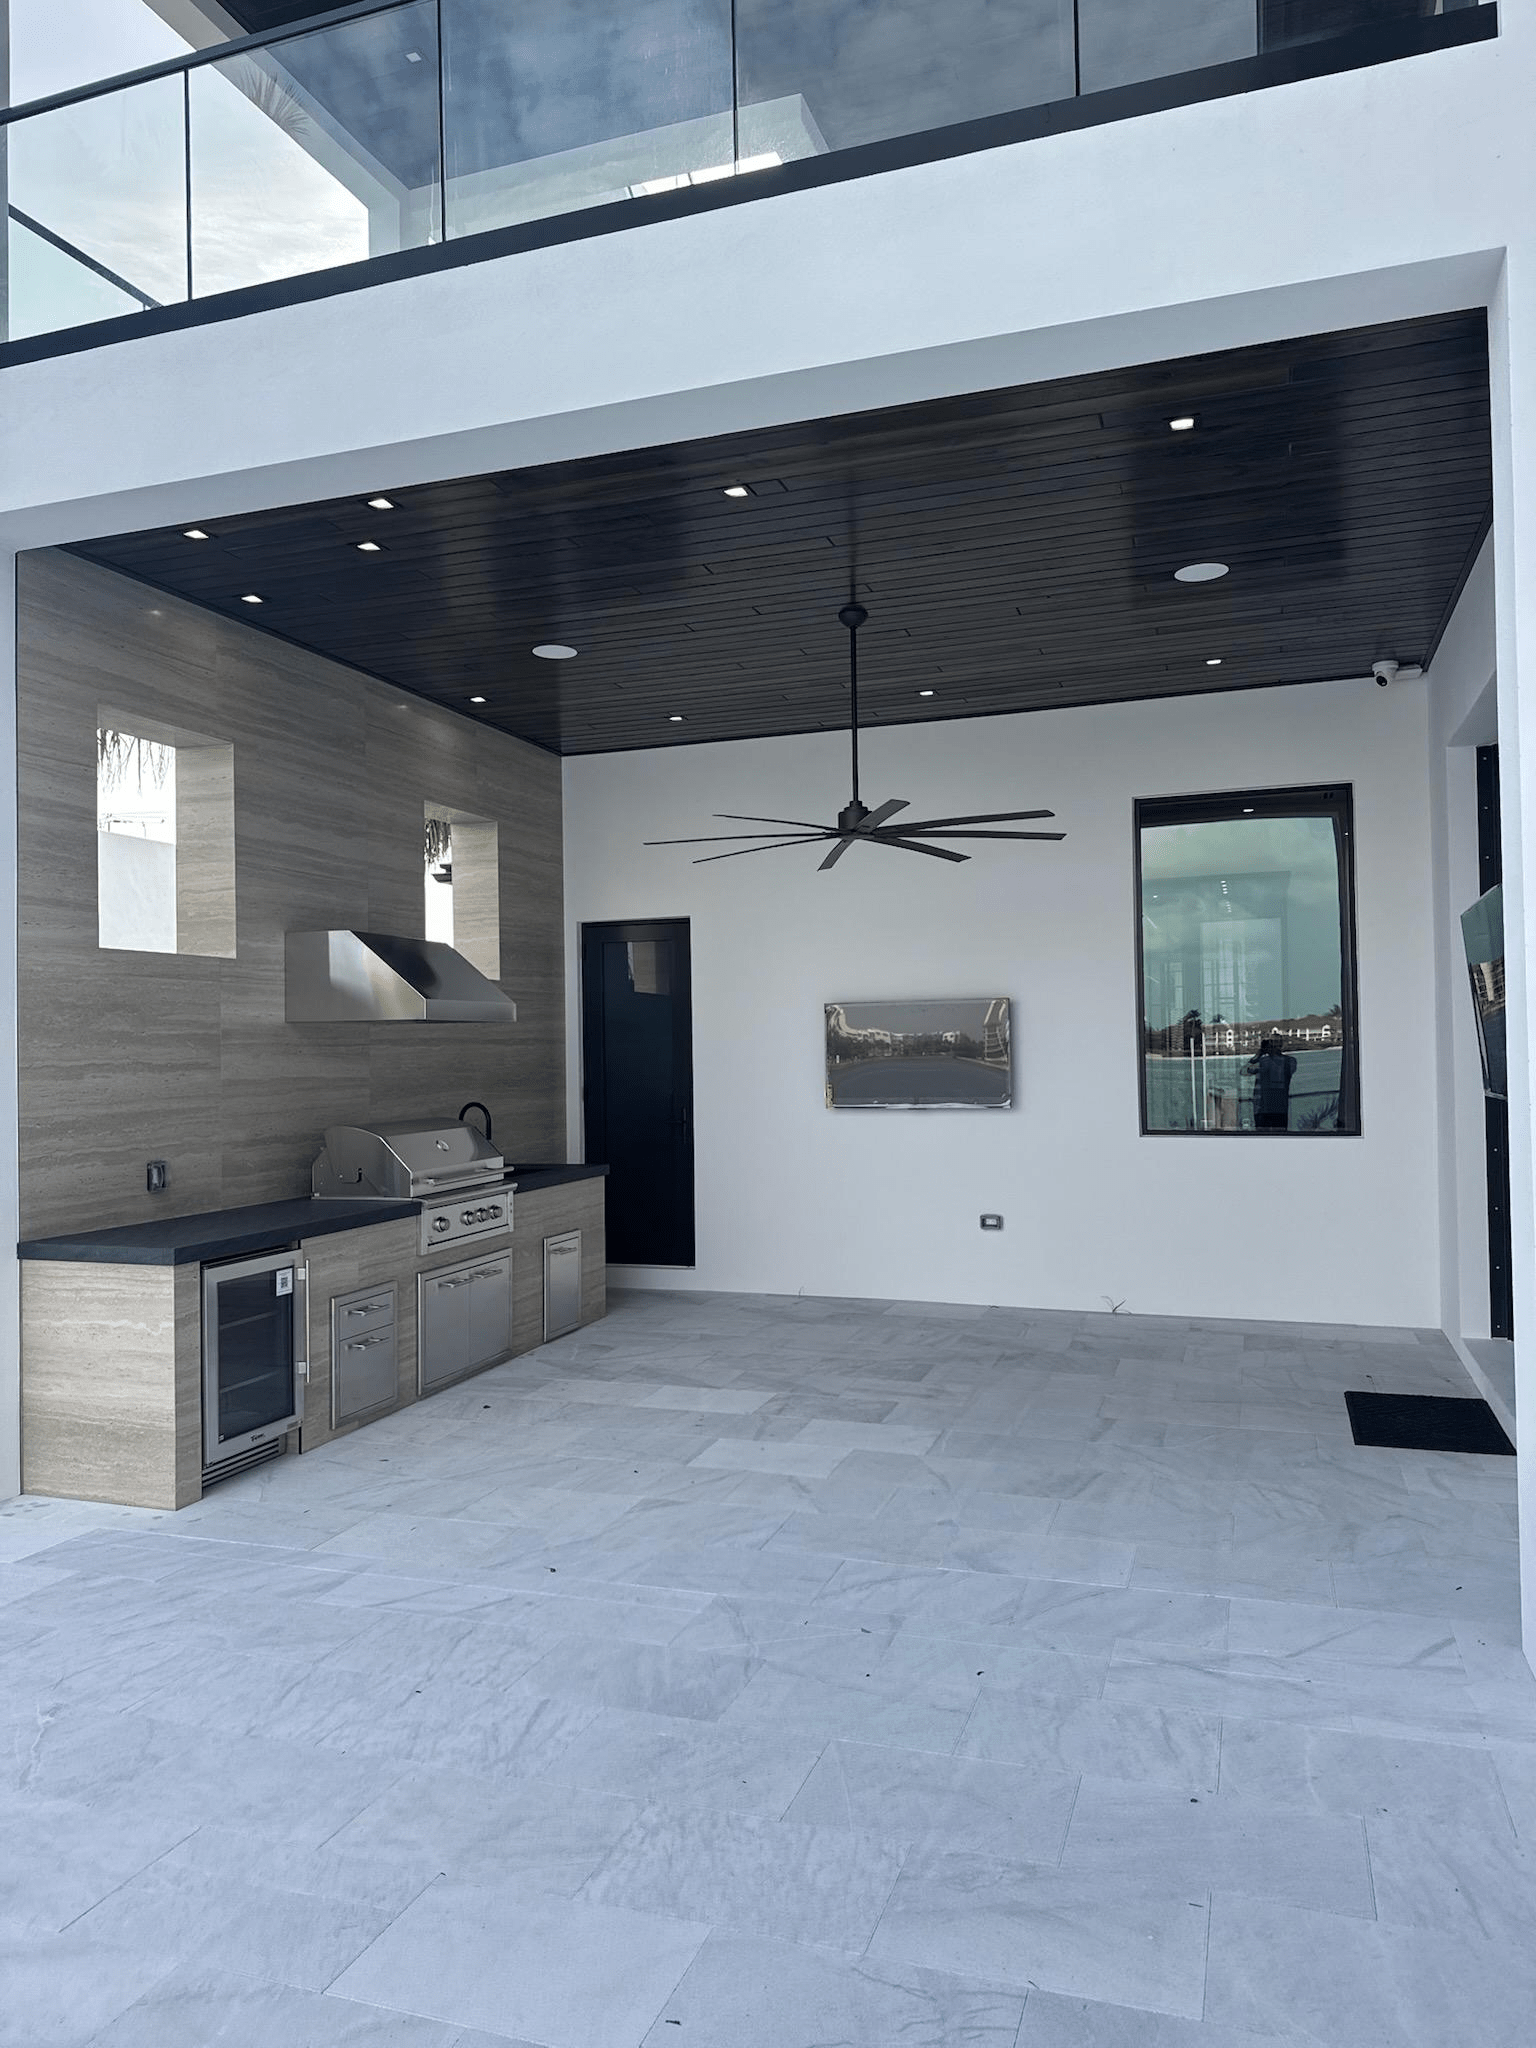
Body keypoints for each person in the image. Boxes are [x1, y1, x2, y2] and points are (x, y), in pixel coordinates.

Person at [1247, 1035, 1297, 1130]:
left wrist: (1258, 1055)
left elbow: (1245, 1070)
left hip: (1265, 1106)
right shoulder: (1290, 1061)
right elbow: (1245, 1071)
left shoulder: (1265, 1062)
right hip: (1278, 1106)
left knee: (1263, 1135)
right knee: (1279, 1134)